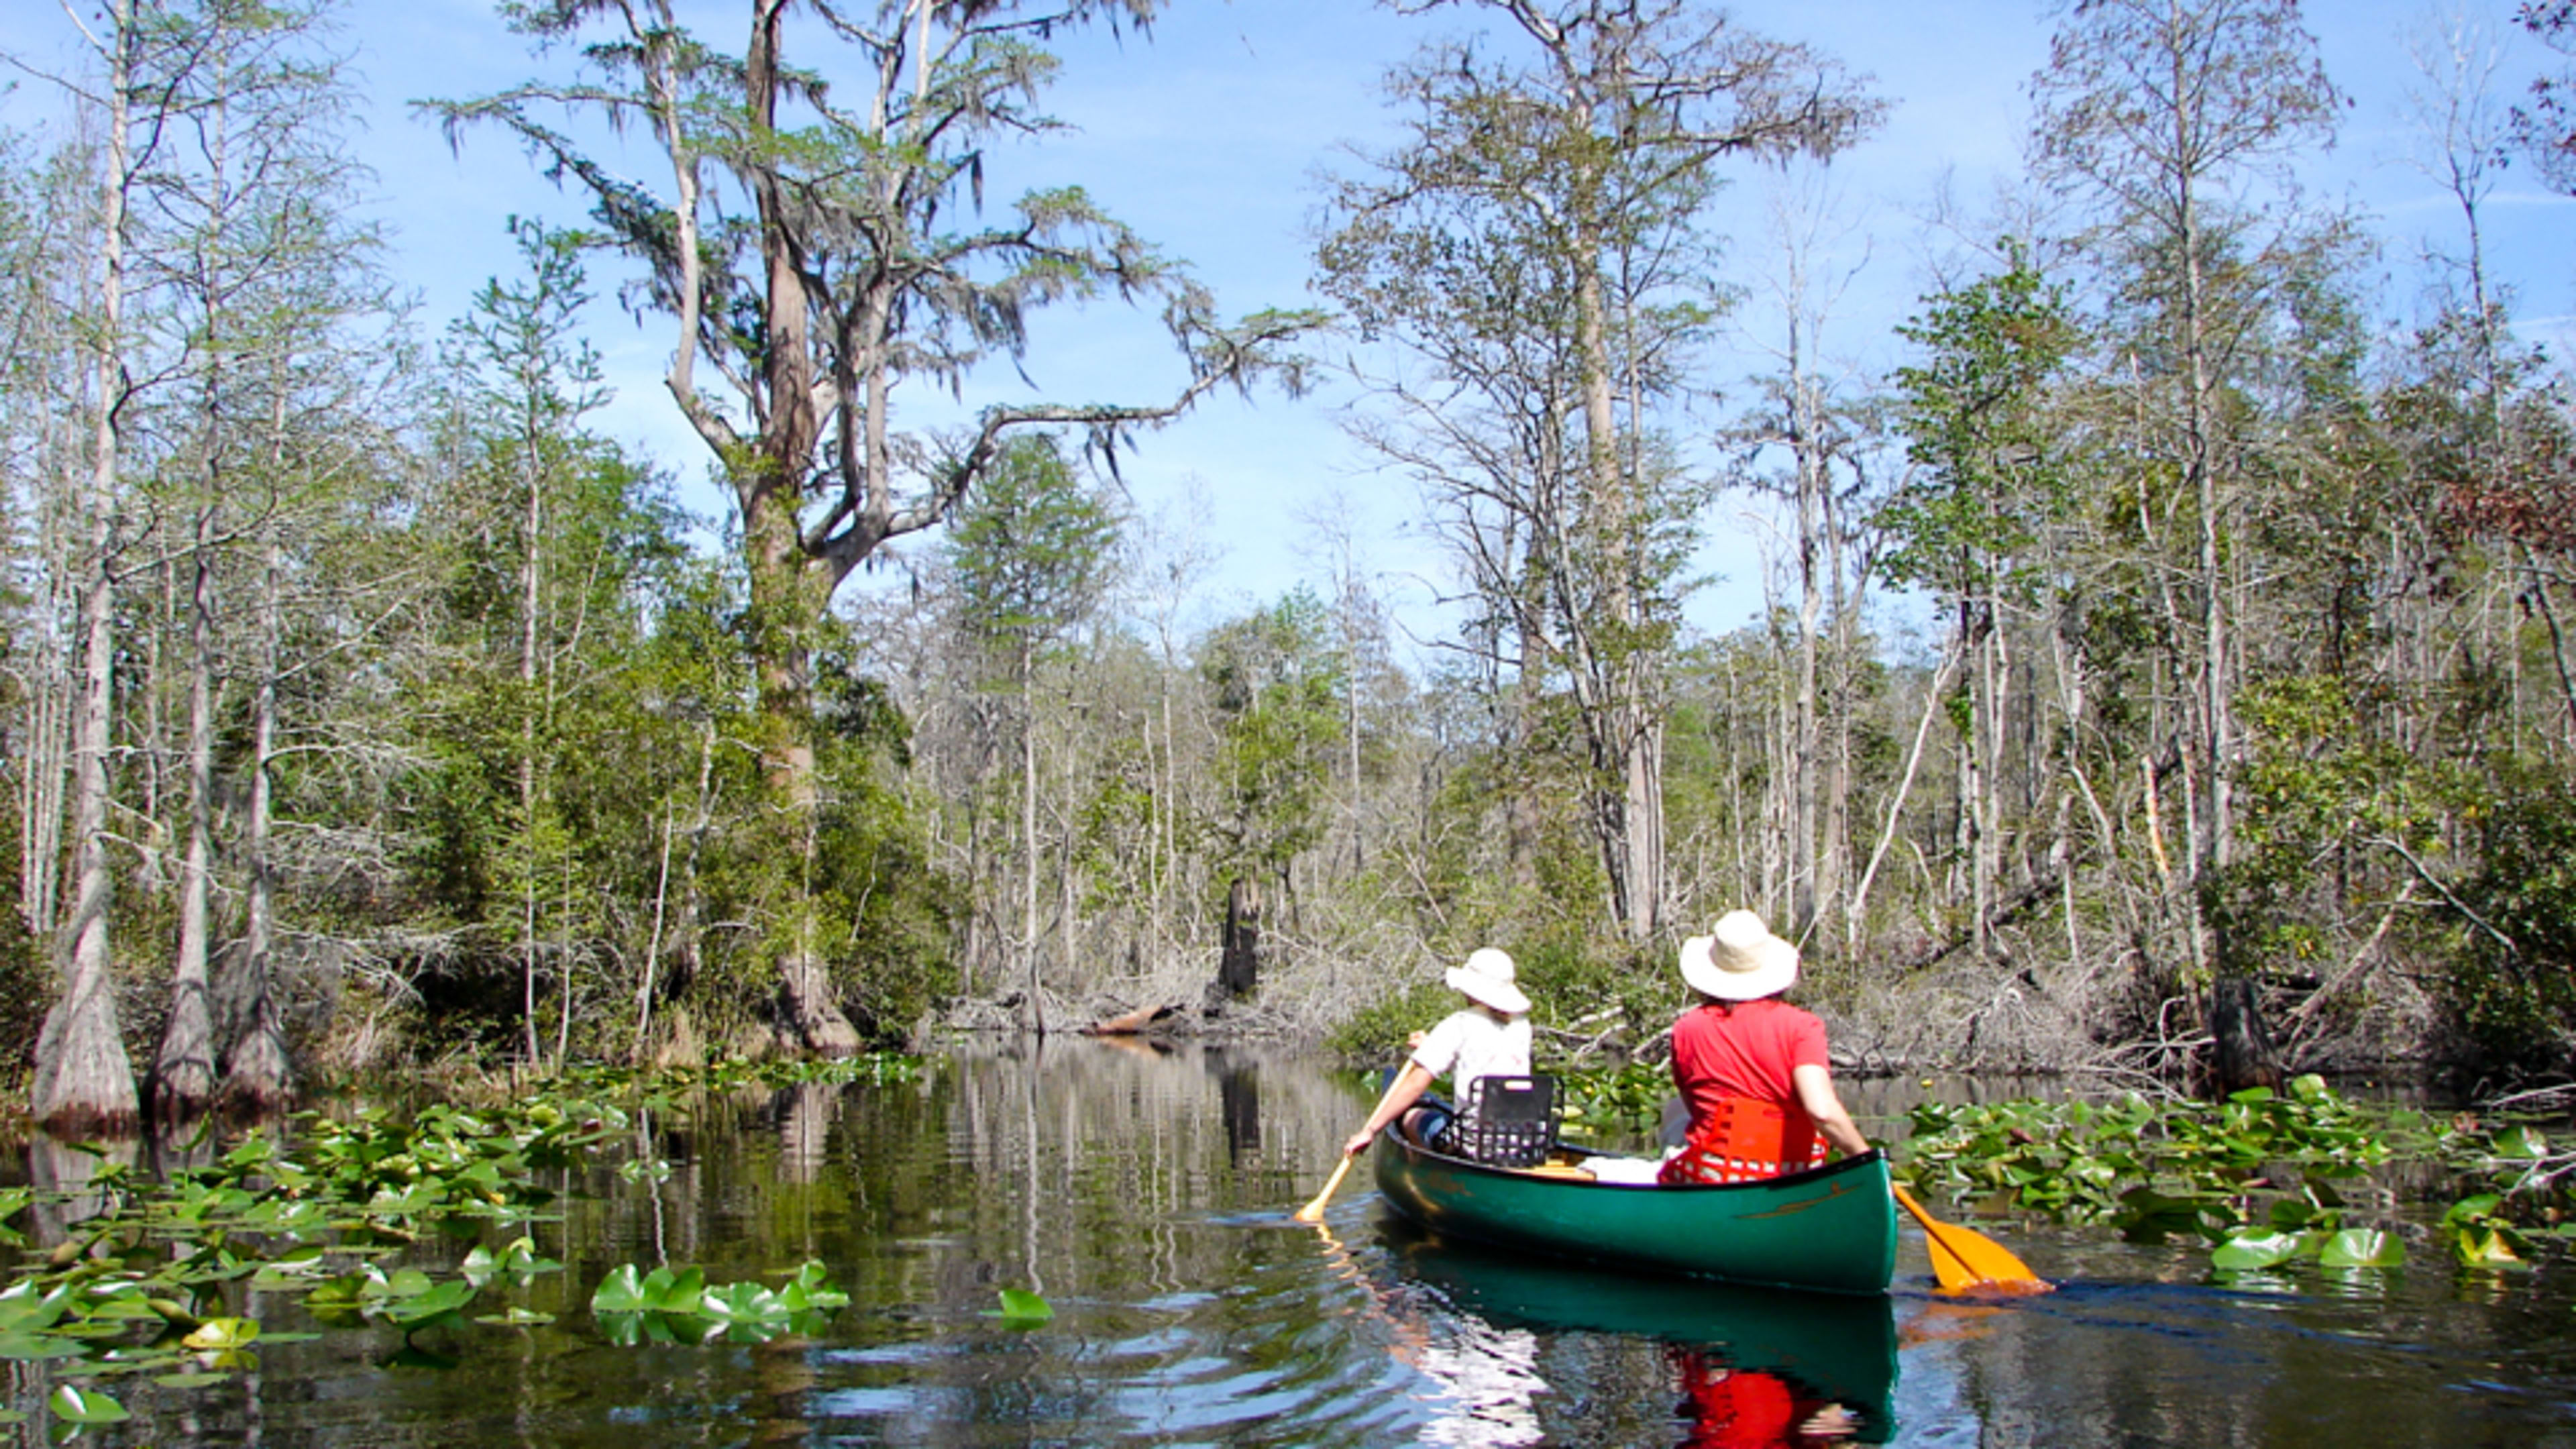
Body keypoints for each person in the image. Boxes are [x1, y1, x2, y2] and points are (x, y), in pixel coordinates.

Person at [1658, 910, 1868, 1186]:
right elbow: (1821, 1111)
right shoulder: (1803, 1026)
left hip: (1713, 1174)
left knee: (1674, 1111)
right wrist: (1866, 1160)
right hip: (1795, 1171)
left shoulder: (1686, 1029)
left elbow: (1693, 1106)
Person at [1342, 947, 1532, 1159]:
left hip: (1473, 1143)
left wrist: (1370, 1130)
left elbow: (1415, 1086)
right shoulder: (1522, 1026)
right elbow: (1487, 1058)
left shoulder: (1459, 1024)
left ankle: (1427, 1179)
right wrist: (1430, 1045)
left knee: (1411, 1118)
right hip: (1522, 1141)